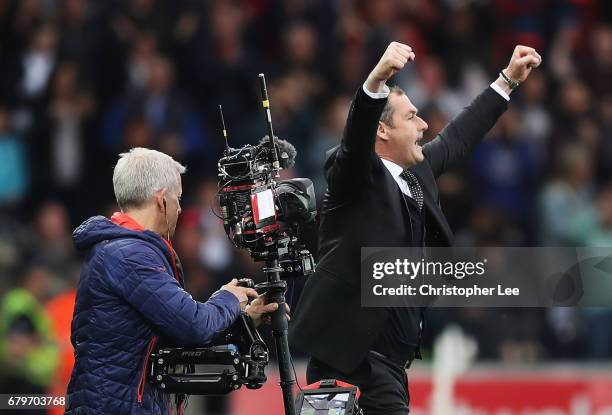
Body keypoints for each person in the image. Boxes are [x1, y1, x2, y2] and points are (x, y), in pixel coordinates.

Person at [289, 42, 541, 414]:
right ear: (383, 132)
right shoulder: (355, 177)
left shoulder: (416, 174)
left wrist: (507, 81)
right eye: (411, 117)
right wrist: (376, 80)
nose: (424, 124)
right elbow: (355, 142)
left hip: (389, 367)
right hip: (352, 367)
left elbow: (458, 138)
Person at [65, 148, 279, 414]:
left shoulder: (123, 251)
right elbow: (193, 325)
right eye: (177, 198)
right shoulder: (129, 256)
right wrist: (228, 298)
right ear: (161, 200)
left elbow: (177, 339)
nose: (179, 207)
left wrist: (244, 319)